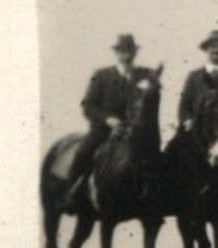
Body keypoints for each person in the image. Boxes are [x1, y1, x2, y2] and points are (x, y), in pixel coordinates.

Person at [66, 33, 159, 201]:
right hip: (104, 130)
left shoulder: (144, 74)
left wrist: (153, 83)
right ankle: (72, 193)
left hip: (133, 131)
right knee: (84, 152)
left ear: (135, 53)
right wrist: (109, 119)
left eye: (130, 51)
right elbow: (88, 105)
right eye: (122, 51)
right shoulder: (101, 75)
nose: (127, 55)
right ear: (116, 53)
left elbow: (153, 95)